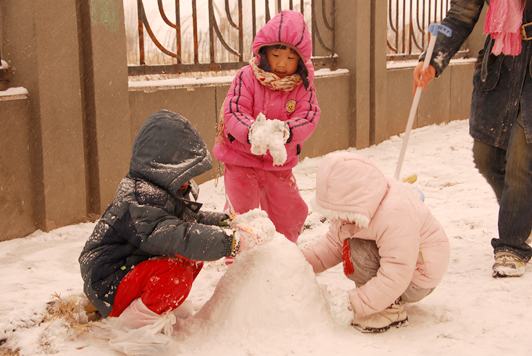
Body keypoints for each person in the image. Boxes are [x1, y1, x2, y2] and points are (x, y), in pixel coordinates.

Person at [78, 110, 258, 354]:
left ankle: (156, 309)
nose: (188, 181)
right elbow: (178, 236)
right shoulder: (141, 199)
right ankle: (134, 330)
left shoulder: (160, 189)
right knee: (177, 269)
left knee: (192, 258)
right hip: (107, 279)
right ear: (162, 168)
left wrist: (228, 222)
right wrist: (232, 243)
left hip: (126, 269)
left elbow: (191, 221)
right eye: (184, 174)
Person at [413, 0, 532, 277]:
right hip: (500, 65)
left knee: (521, 162)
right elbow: (461, 14)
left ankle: (512, 244)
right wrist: (432, 58)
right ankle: (523, 214)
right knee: (485, 156)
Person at [301, 152, 450, 333]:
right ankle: (380, 300)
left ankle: (389, 309)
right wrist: (300, 261)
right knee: (352, 243)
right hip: (405, 269)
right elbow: (332, 244)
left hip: (418, 276)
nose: (338, 219)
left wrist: (356, 302)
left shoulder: (394, 215)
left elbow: (398, 270)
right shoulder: (358, 207)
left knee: (357, 250)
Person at [213, 9, 321, 243]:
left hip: (278, 166)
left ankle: (283, 255)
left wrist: (287, 131)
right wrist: (252, 132)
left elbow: (309, 115)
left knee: (288, 213)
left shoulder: (303, 86)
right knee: (243, 217)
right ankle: (242, 262)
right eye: (276, 54)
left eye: (291, 58)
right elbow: (234, 110)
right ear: (264, 52)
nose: (282, 63)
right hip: (241, 161)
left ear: (301, 61)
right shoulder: (247, 77)